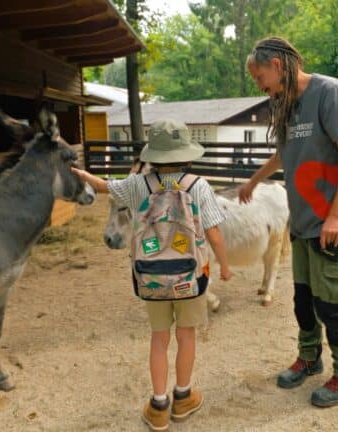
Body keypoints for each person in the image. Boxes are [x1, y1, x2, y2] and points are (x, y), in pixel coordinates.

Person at [72, 119, 232, 431]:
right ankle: (183, 398)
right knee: (186, 337)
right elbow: (214, 234)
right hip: (191, 278)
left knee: (159, 339)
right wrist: (224, 266)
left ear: (153, 155)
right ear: (186, 154)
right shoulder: (198, 186)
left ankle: (159, 405)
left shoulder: (137, 184)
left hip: (151, 277)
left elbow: (102, 185)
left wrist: (79, 173)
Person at [239, 36, 338, 408]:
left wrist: (336, 216)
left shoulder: (329, 93)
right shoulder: (286, 103)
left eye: (260, 76)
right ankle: (309, 358)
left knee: (331, 303)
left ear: (276, 66)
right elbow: (283, 153)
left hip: (330, 223)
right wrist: (254, 180)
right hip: (302, 222)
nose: (259, 85)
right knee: (304, 301)